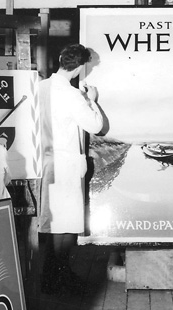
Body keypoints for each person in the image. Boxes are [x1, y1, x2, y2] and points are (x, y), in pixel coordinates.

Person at [36, 43, 106, 294]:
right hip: (65, 165)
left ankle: (52, 276)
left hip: (44, 162)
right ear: (79, 68)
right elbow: (95, 126)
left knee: (54, 222)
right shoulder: (72, 94)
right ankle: (59, 278)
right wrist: (92, 101)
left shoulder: (40, 87)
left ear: (60, 59)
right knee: (65, 225)